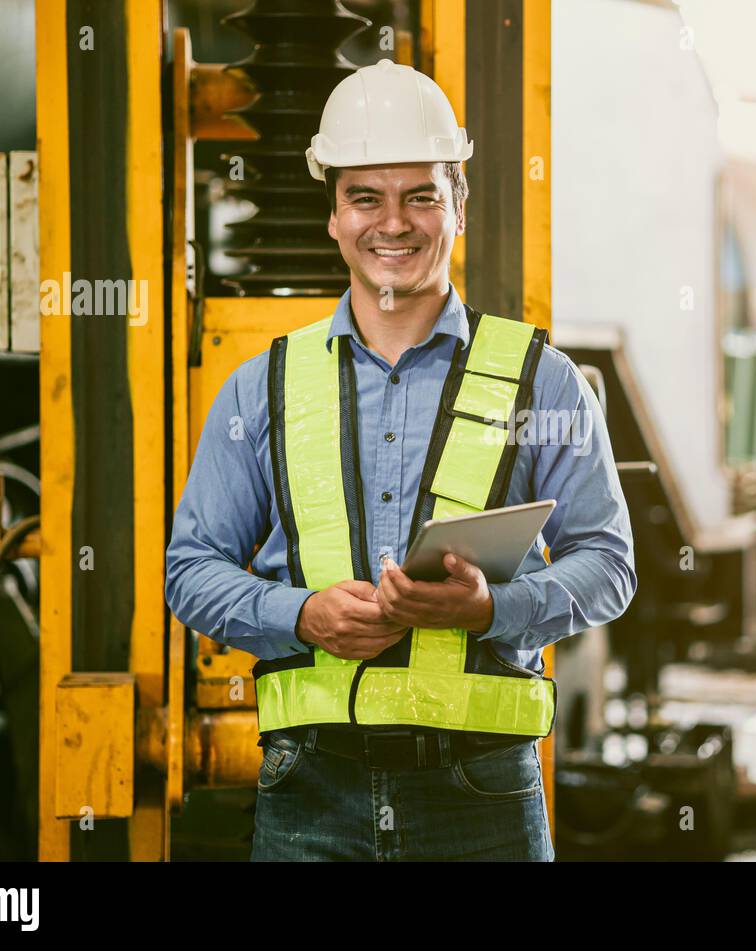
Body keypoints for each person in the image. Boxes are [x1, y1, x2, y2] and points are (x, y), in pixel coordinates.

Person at [165, 59, 635, 861]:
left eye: (421, 194)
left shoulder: (541, 379)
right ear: (335, 219)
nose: (395, 222)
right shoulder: (263, 388)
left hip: (481, 797)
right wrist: (302, 614)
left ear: (460, 205)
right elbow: (190, 568)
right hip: (308, 792)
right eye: (365, 197)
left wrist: (491, 608)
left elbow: (609, 564)